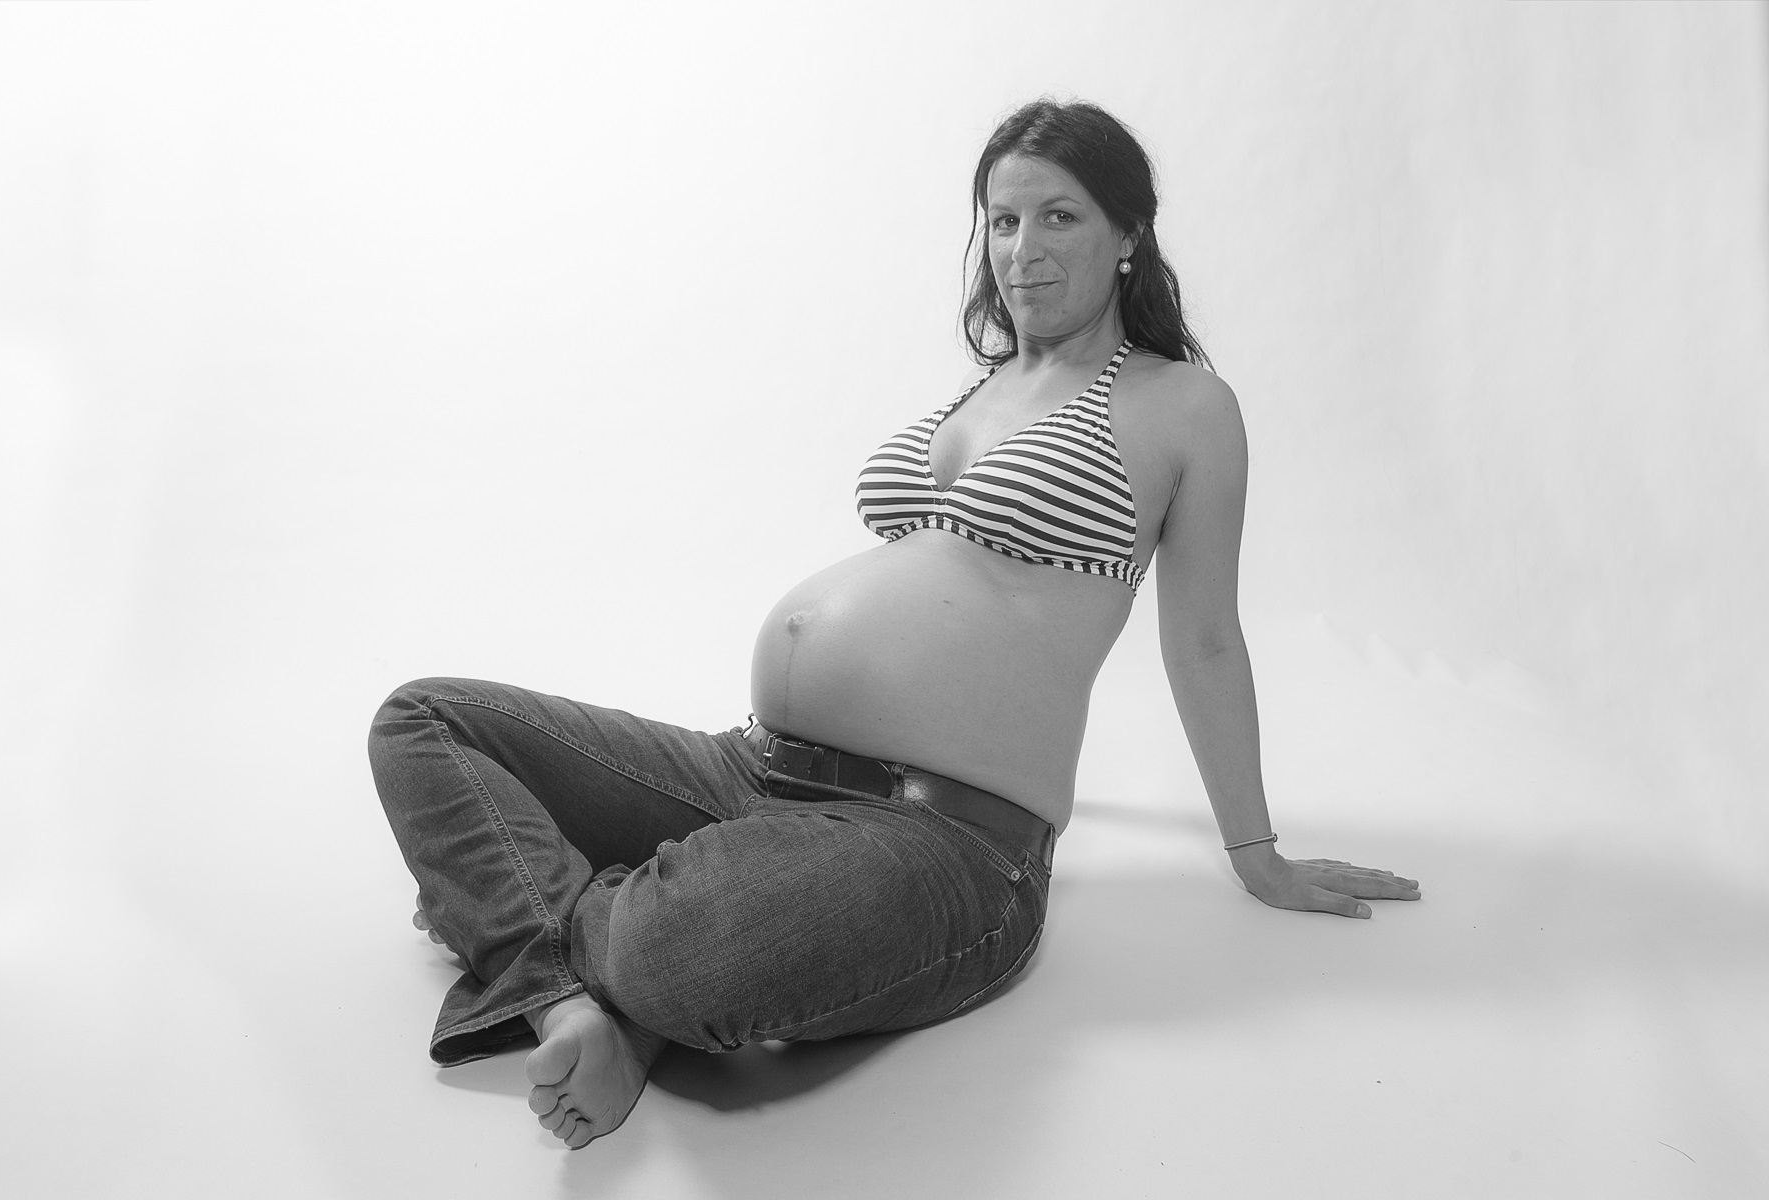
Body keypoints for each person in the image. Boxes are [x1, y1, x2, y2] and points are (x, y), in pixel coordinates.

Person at [368, 98, 1420, 1151]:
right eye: (1002, 220)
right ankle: (573, 987)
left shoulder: (1182, 405)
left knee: (679, 953)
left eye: (1059, 217)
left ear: (1129, 234)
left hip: (941, 839)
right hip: (753, 771)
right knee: (426, 721)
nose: (1022, 249)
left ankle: (527, 917)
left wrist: (1256, 854)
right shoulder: (983, 389)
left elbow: (1204, 640)